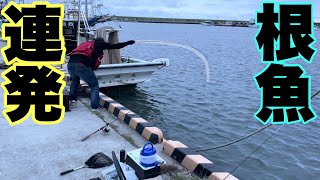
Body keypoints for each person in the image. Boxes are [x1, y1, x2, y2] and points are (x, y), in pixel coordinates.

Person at [67, 38, 135, 111]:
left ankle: (72, 99)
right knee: (94, 85)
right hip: (81, 65)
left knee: (75, 80)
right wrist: (128, 43)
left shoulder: (87, 44)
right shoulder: (101, 44)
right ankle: (95, 106)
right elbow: (116, 46)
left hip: (70, 64)